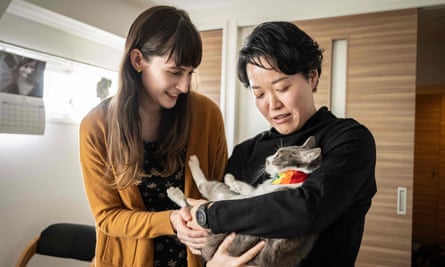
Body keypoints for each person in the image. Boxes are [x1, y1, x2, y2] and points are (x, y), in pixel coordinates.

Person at [185, 21, 377, 267]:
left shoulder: (348, 140)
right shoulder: (246, 151)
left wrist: (211, 214)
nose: (272, 104)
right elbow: (222, 236)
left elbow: (306, 210)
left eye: (282, 88)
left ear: (313, 76)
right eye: (259, 94)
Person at [79, 6, 228, 267]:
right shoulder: (96, 126)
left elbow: (220, 194)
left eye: (190, 73)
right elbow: (107, 217)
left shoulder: (207, 115)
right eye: (174, 72)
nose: (184, 86)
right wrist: (170, 221)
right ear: (138, 61)